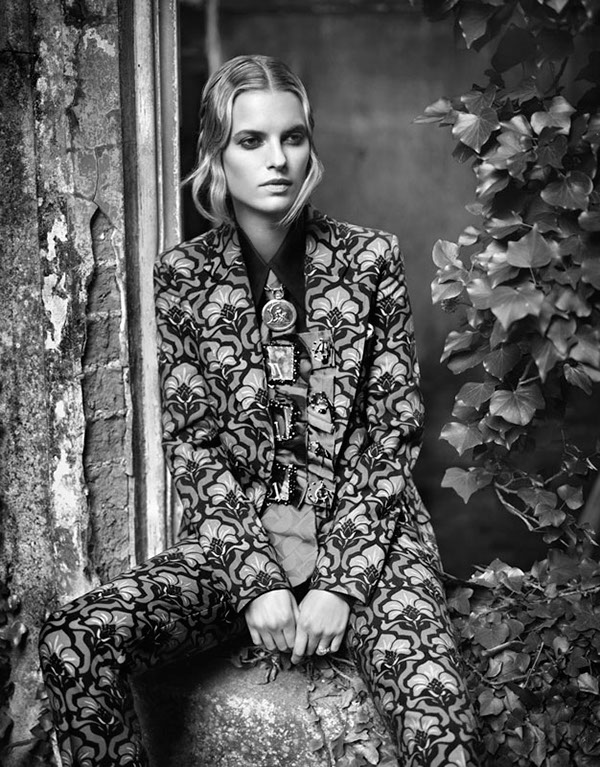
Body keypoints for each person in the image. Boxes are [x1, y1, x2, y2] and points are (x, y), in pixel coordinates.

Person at [39, 54, 481, 767]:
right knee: (75, 636)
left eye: (293, 137)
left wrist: (341, 582)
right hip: (239, 540)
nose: (278, 159)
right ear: (217, 152)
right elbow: (193, 445)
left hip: (372, 541)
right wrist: (256, 578)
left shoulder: (370, 258)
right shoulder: (182, 276)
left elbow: (392, 430)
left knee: (440, 725)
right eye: (252, 140)